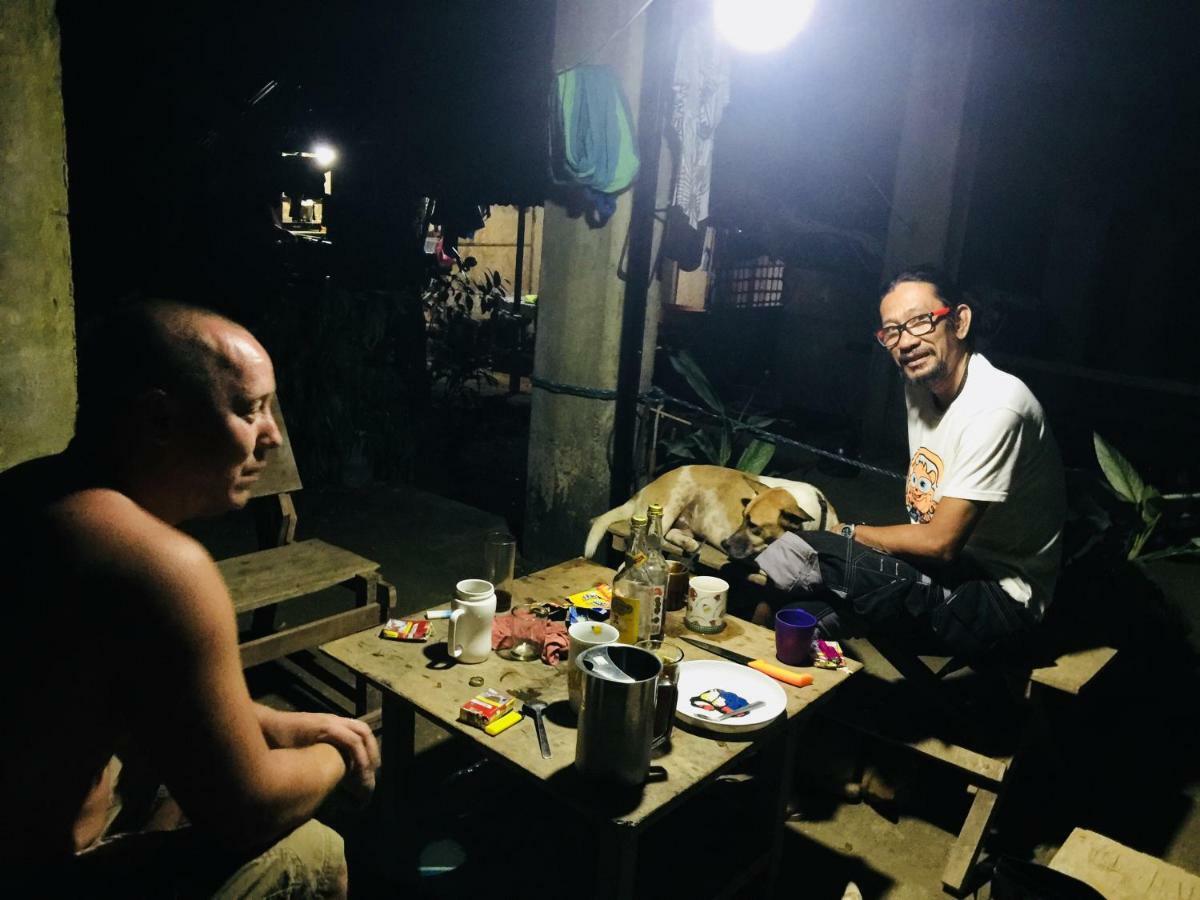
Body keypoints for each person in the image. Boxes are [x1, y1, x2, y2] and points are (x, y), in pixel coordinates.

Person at [0, 300, 379, 897]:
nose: (274, 437)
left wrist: (275, 722)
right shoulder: (158, 567)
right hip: (37, 875)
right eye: (250, 409)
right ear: (158, 420)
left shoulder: (28, 491)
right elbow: (247, 811)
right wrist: (343, 750)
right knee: (314, 848)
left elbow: (136, 690)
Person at [753, 268, 1067, 662]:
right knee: (803, 614)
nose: (906, 342)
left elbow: (940, 542)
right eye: (892, 331)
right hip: (942, 571)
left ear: (960, 321)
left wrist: (854, 533)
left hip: (1001, 599)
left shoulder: (998, 406)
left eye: (920, 321)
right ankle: (762, 679)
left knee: (805, 549)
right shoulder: (919, 386)